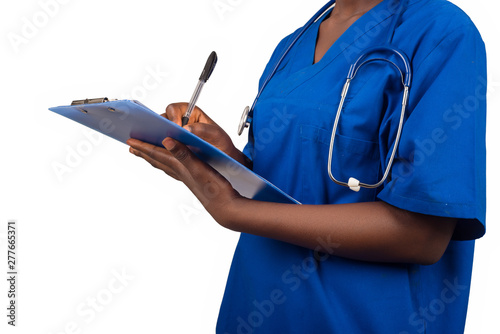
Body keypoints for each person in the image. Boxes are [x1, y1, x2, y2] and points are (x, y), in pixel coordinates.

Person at [127, 0, 487, 332]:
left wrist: (233, 211)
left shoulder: (442, 32)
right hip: (254, 306)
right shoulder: (292, 44)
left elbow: (422, 235)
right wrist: (221, 157)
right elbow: (282, 185)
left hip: (363, 318)